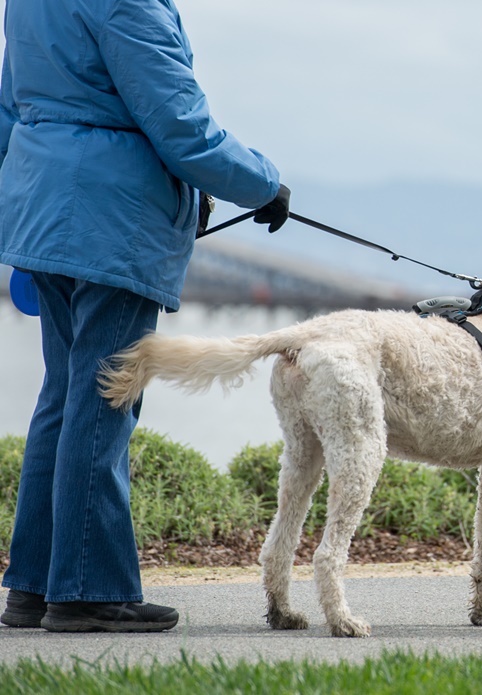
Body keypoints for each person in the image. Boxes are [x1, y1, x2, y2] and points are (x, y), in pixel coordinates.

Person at [0, 0, 290, 632]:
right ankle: (86, 592)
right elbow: (179, 123)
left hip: (41, 205)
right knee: (107, 394)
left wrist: (19, 202)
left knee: (64, 394)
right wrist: (263, 183)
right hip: (112, 218)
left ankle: (34, 585)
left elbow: (9, 110)